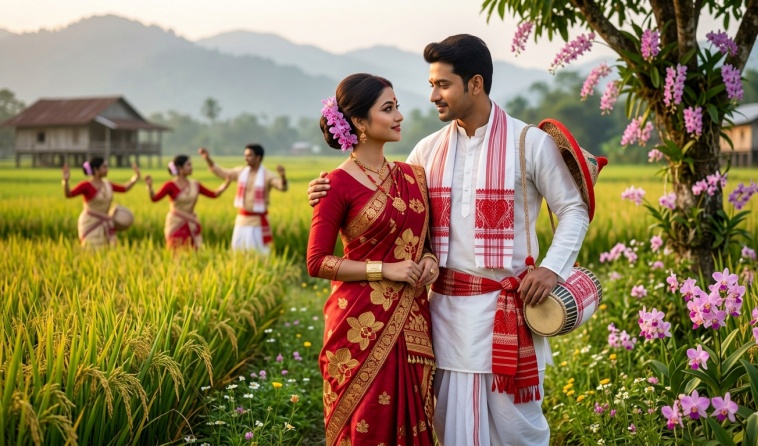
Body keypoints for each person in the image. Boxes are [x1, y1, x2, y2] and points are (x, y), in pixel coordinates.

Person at [308, 35, 590, 445]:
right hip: (443, 321)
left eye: (442, 85)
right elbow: (386, 202)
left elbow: (573, 210)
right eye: (431, 85)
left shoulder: (529, 143)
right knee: (451, 430)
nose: (432, 96)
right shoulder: (426, 151)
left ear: (474, 84)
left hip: (506, 315)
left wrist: (550, 269)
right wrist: (324, 193)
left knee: (518, 432)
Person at [306, 73, 439, 446]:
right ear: (360, 123)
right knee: (368, 421)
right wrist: (386, 270)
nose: (399, 116)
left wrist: (429, 262)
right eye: (388, 108)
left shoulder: (413, 177)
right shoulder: (336, 185)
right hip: (359, 323)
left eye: (397, 106)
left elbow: (424, 243)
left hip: (410, 318)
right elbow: (317, 261)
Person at [198, 144, 287, 255]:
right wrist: (207, 158)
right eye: (245, 155)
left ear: (258, 157)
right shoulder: (241, 172)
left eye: (249, 155)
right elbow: (221, 172)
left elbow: (282, 187)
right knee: (238, 252)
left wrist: (282, 176)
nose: (246, 158)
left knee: (259, 253)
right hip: (241, 220)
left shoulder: (267, 175)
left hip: (257, 222)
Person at [144, 154, 231, 249]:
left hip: (191, 222)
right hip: (176, 223)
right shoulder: (170, 185)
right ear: (180, 168)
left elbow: (214, 194)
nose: (191, 167)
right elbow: (155, 199)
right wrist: (149, 187)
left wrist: (226, 184)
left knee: (193, 252)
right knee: (175, 250)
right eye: (188, 165)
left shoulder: (195, 185)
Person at [61, 157, 140, 247]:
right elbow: (69, 194)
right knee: (90, 249)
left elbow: (124, 189)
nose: (107, 169)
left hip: (105, 223)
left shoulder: (107, 184)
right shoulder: (86, 185)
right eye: (104, 167)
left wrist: (136, 177)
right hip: (90, 223)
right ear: (96, 169)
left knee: (106, 251)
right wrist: (66, 181)